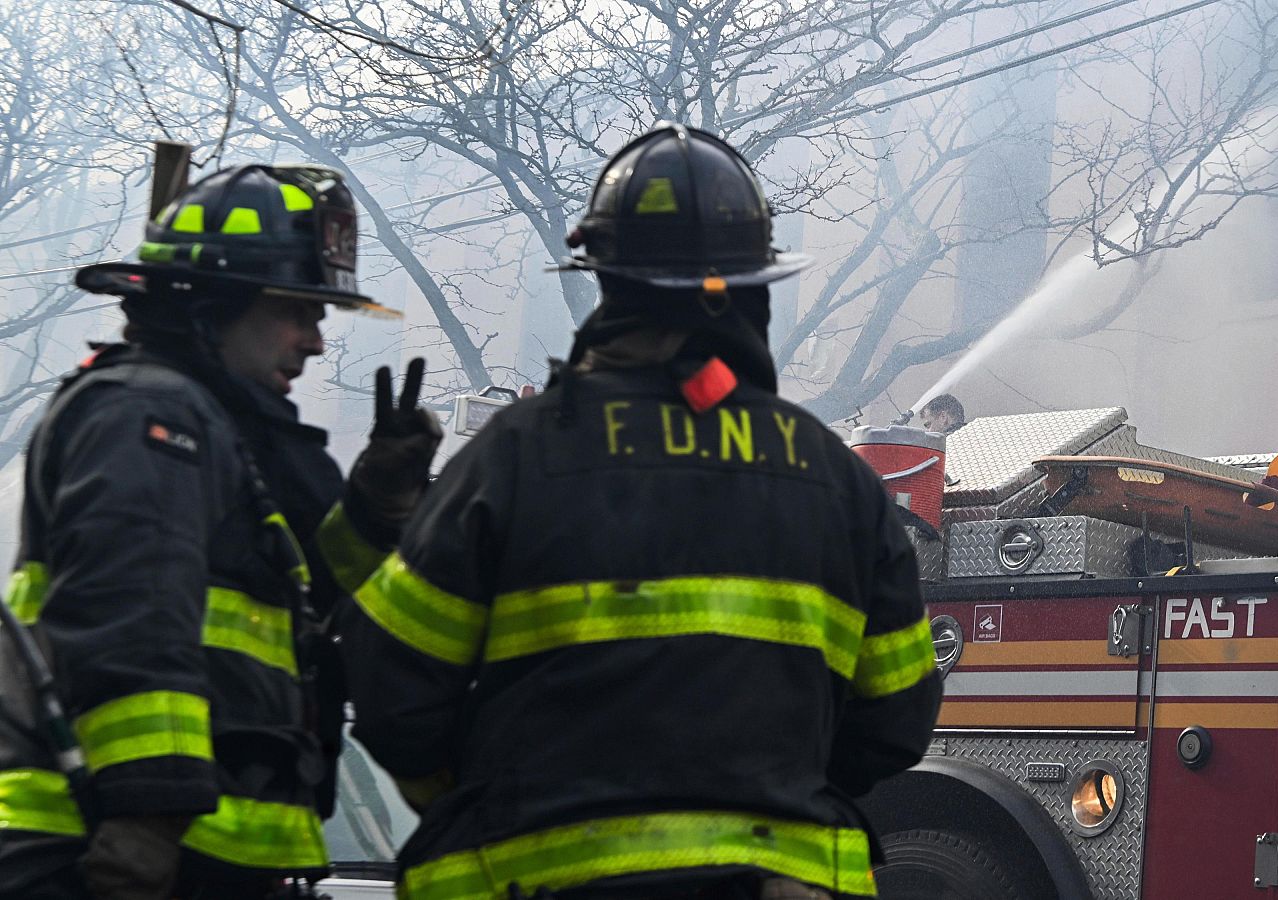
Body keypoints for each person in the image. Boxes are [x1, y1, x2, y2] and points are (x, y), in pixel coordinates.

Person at [341, 121, 942, 900]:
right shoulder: (836, 478)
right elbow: (896, 717)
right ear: (750, 291)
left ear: (607, 285)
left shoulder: (514, 457)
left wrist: (491, 788)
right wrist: (772, 789)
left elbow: (392, 694)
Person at [0, 160, 440, 899]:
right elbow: (130, 617)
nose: (315, 343)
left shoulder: (227, 434)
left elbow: (310, 609)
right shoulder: (146, 418)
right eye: (295, 312)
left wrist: (376, 508)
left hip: (199, 853)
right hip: (107, 850)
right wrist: (147, 817)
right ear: (215, 306)